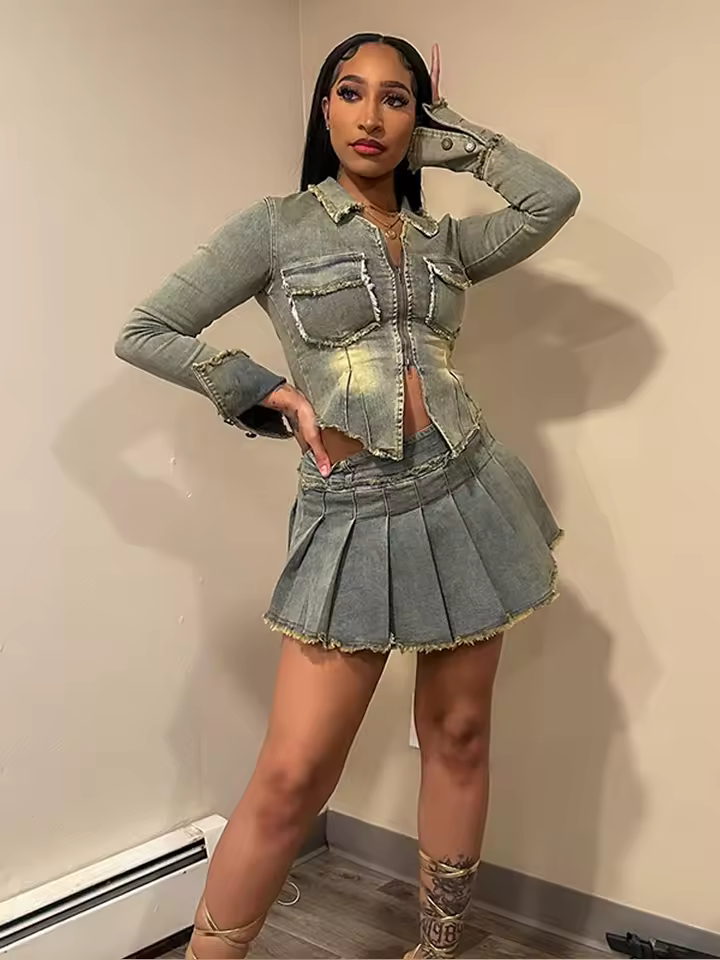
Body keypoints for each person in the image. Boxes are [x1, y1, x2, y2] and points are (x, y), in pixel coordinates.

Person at [115, 32, 579, 960]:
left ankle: (437, 950)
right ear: (322, 106)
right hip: (353, 511)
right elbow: (148, 328)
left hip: (466, 493)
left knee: (459, 734)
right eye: (350, 92)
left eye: (396, 99)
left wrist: (461, 142)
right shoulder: (276, 228)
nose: (370, 117)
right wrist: (266, 392)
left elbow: (551, 199)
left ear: (419, 117)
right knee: (293, 776)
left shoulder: (446, 241)